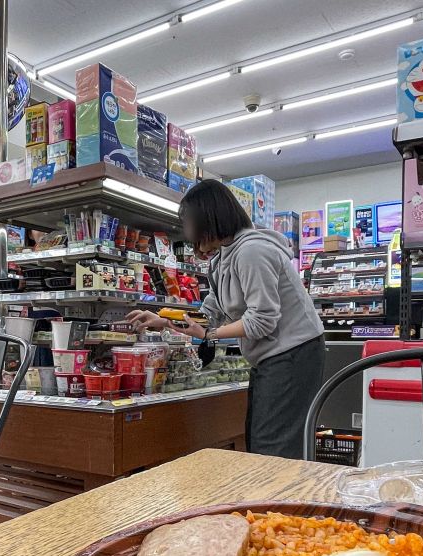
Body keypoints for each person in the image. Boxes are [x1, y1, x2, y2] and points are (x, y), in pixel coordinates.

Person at [127, 179, 324, 459]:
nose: (188, 232)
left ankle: (281, 502)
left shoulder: (252, 252)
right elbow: (209, 313)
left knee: (274, 446)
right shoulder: (223, 258)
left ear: (209, 219)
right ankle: (269, 502)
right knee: (258, 439)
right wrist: (163, 320)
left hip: (293, 352)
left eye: (190, 223)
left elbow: (262, 320)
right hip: (270, 355)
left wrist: (210, 335)